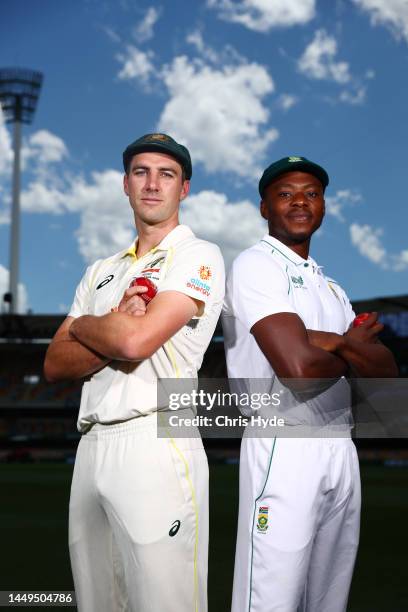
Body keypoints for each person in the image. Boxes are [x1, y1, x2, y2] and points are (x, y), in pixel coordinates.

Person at [44, 133, 225, 612]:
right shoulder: (100, 271)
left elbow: (134, 342)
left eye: (166, 174)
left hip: (157, 438)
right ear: (125, 184)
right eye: (141, 172)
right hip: (91, 445)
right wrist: (104, 321)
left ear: (183, 189)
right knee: (96, 602)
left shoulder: (197, 255)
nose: (152, 184)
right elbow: (54, 364)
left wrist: (83, 326)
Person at [222, 156, 397, 612]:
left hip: (342, 445)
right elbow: (297, 371)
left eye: (312, 193)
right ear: (264, 207)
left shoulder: (333, 288)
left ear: (323, 207)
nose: (300, 201)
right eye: (285, 194)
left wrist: (332, 342)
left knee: (328, 601)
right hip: (285, 441)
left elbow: (385, 377)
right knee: (270, 600)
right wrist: (349, 345)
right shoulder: (256, 265)